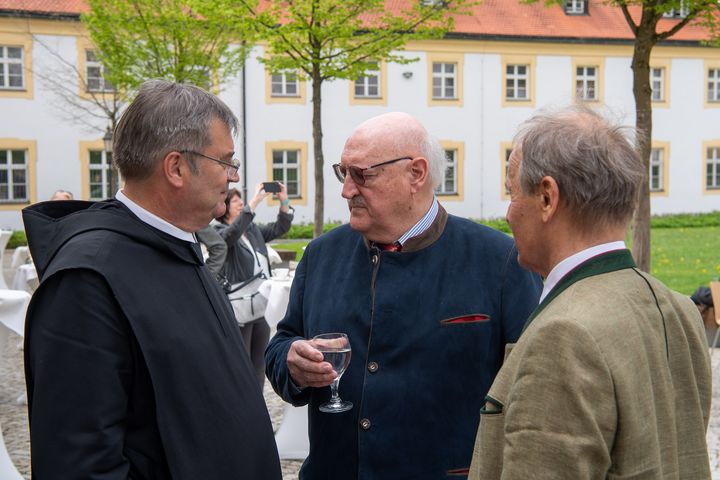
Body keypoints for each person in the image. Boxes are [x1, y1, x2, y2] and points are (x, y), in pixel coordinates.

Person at [22, 80, 282, 479]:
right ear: (176, 167)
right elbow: (80, 462)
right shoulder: (86, 280)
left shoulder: (178, 244)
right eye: (226, 161)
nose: (232, 177)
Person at [265, 111, 542, 479]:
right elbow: (282, 342)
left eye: (361, 174)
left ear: (416, 173)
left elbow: (531, 393)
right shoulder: (321, 255)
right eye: (343, 173)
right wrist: (291, 364)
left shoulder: (500, 260)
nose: (347, 190)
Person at [468, 106, 712, 479]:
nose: (508, 214)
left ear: (548, 198)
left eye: (512, 193)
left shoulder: (564, 335)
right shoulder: (679, 308)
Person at [216, 182, 293, 388]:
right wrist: (254, 203)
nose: (241, 203)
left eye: (241, 199)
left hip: (260, 305)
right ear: (224, 206)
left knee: (259, 363)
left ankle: (256, 406)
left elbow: (281, 227)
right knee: (241, 363)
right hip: (239, 307)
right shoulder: (219, 231)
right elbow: (230, 237)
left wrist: (283, 199)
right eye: (235, 200)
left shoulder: (251, 230)